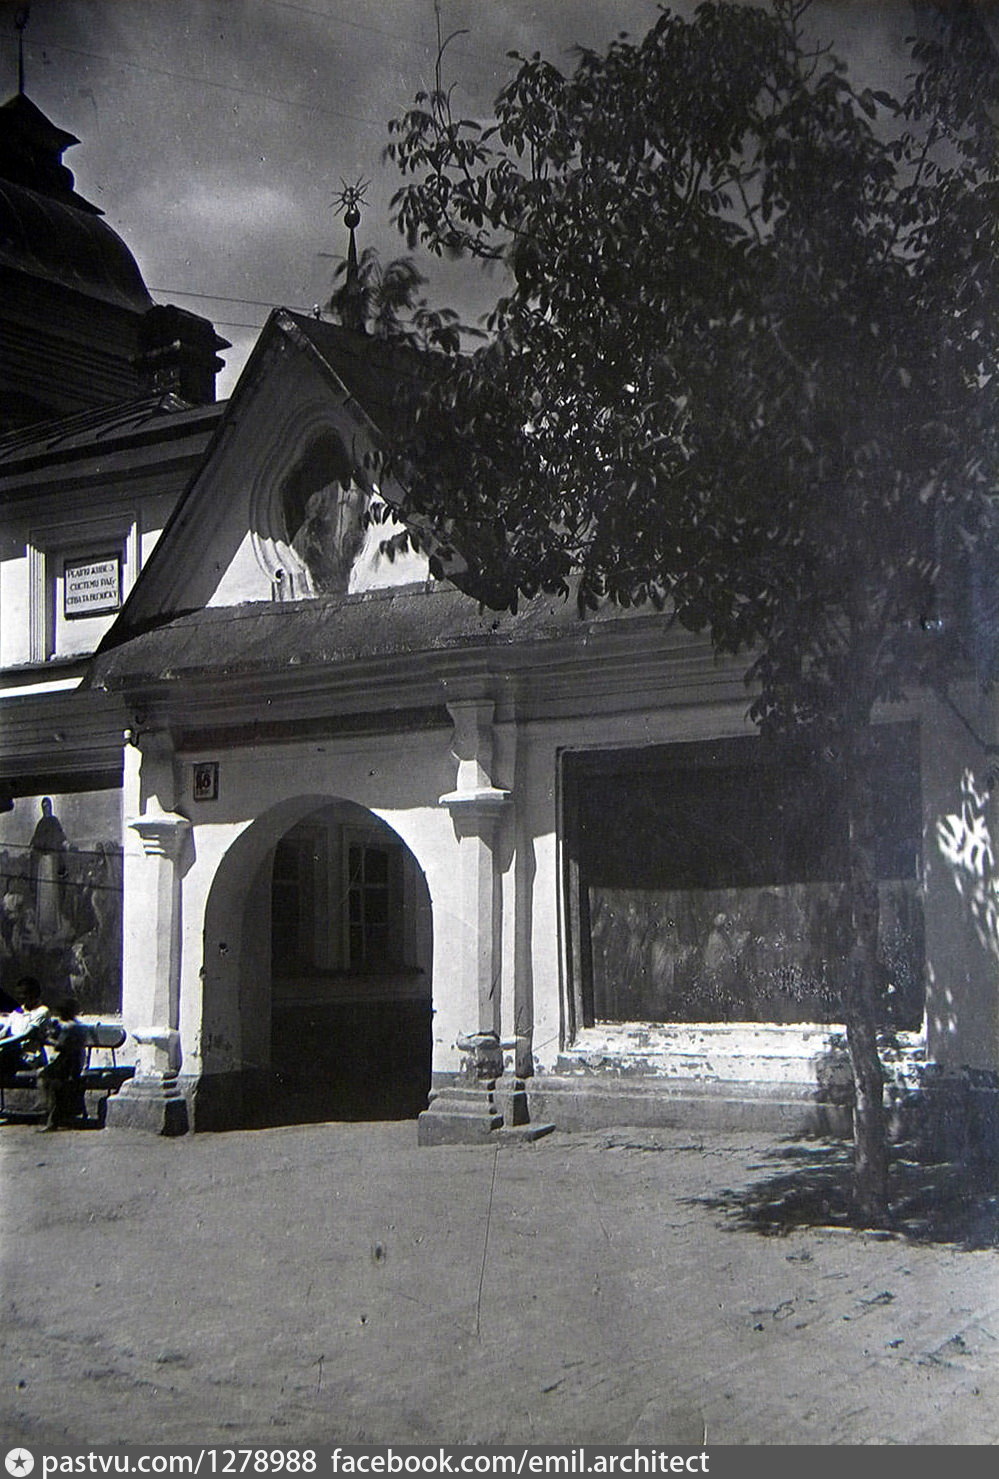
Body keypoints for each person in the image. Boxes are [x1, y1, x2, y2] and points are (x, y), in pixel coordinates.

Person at [38, 997, 88, 1131]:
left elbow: (60, 1046)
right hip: (70, 1062)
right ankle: (51, 1113)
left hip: (69, 1065)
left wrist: (47, 1038)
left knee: (50, 1081)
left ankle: (51, 1117)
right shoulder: (73, 1025)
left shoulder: (70, 1027)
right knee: (46, 1078)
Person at [0, 976, 50, 1072]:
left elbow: (26, 1035)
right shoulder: (17, 1011)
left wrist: (1, 1043)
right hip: (12, 1053)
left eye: (24, 994)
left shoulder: (42, 1011)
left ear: (34, 994)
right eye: (18, 994)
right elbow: (5, 1031)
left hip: (29, 1057)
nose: (20, 997)